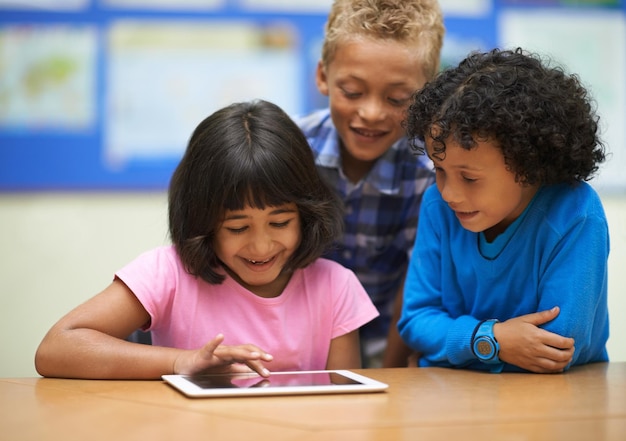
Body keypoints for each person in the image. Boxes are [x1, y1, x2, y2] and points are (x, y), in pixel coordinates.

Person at [35, 99, 379, 379]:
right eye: (237, 228)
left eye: (280, 222)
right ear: (203, 219)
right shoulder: (167, 272)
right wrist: (180, 362)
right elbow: (56, 349)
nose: (261, 246)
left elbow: (348, 406)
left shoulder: (336, 287)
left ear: (306, 214)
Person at [398, 47, 610, 373]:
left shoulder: (575, 213)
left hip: (549, 402)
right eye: (439, 170)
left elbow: (557, 346)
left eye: (469, 178)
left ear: (527, 164)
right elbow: (416, 321)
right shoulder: (435, 206)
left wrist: (453, 343)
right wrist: (492, 339)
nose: (449, 193)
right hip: (451, 396)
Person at [293, 0, 445, 367]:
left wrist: (390, 375)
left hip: (385, 346)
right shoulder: (291, 150)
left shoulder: (432, 173)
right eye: (353, 92)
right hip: (291, 344)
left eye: (397, 99)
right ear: (324, 77)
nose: (372, 113)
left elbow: (415, 286)